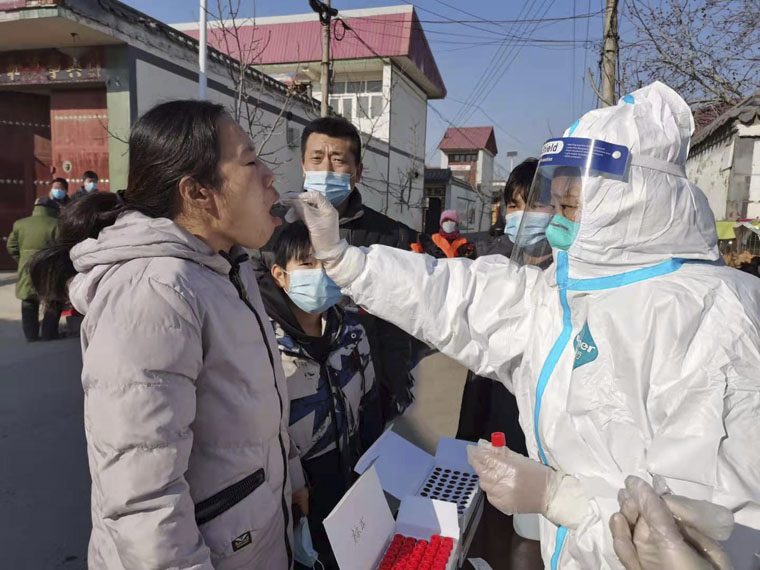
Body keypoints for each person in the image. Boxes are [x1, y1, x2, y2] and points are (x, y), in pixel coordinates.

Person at [288, 81, 760, 570]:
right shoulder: (569, 294)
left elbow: (714, 532)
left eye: (570, 207)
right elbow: (457, 295)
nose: (555, 223)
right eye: (554, 204)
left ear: (631, 204)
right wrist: (347, 261)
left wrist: (562, 500)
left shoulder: (713, 318)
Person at [29, 100, 293, 570]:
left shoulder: (226, 265)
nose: (269, 175)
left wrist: (292, 480)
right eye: (250, 161)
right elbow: (142, 497)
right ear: (197, 193)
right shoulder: (153, 291)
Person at [254, 115, 418, 422]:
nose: (326, 170)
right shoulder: (269, 225)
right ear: (303, 166)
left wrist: (395, 384)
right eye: (316, 159)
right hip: (287, 385)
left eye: (338, 160)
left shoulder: (390, 236)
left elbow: (397, 323)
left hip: (364, 381)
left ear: (357, 173)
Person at [261, 221, 383, 569]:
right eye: (307, 264)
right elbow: (264, 432)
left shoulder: (353, 331)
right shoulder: (263, 345)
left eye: (327, 264)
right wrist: (293, 485)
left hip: (353, 480)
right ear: (280, 275)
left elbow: (371, 402)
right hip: (299, 494)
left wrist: (375, 466)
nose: (320, 273)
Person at [457, 158, 548, 451]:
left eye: (534, 205)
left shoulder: (567, 276)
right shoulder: (493, 269)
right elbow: (477, 366)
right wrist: (467, 436)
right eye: (513, 205)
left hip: (543, 427)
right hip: (496, 415)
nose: (522, 215)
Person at [6, 197, 62, 341]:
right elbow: (63, 248)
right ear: (53, 209)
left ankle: (31, 335)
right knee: (53, 300)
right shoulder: (57, 225)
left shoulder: (20, 224)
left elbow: (11, 246)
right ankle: (49, 334)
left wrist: (21, 259)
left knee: (29, 299)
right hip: (50, 268)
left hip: (27, 267)